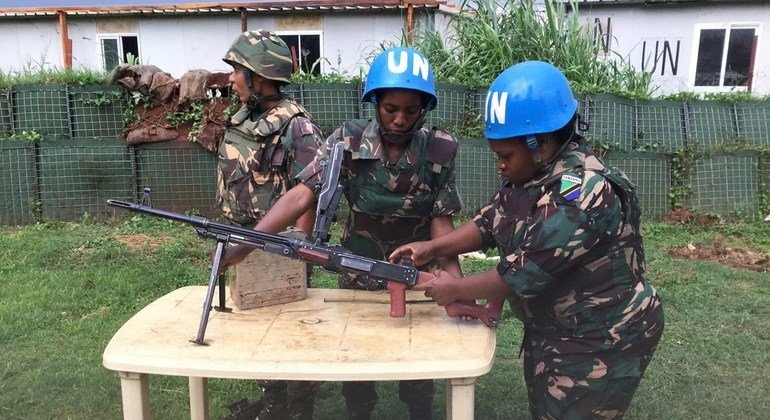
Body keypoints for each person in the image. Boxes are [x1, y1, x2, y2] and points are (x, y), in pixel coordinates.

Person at [390, 61, 665, 419]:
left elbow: (523, 273)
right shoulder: (534, 174)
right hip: (558, 327)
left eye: (505, 156)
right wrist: (433, 247)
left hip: (601, 335)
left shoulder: (582, 193)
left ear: (542, 143)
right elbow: (491, 222)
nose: (499, 166)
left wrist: (454, 289)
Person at [221, 46, 464, 420]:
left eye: (411, 111)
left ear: (424, 109)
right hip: (357, 271)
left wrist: (456, 284)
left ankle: (420, 411)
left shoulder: (439, 148)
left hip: (418, 275)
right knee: (358, 364)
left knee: (420, 365)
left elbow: (441, 218)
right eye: (390, 109)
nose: (400, 120)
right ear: (375, 103)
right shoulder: (347, 141)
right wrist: (247, 242)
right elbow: (301, 194)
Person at [219, 29, 324, 420]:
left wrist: (301, 250)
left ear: (259, 77)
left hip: (279, 249)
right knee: (257, 331)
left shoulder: (297, 127)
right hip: (241, 241)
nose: (231, 78)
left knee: (290, 332)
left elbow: (307, 194)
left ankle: (299, 408)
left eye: (236, 71)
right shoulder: (248, 117)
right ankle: (273, 402)